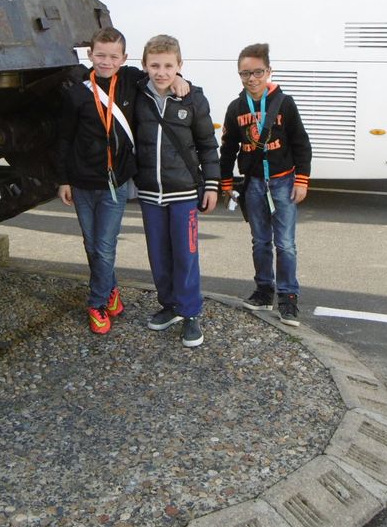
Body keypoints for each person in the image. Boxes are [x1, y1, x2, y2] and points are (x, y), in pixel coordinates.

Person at [53, 27, 188, 335]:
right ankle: (111, 289)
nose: (106, 62)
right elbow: (64, 140)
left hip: (115, 184)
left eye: (114, 57)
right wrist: (63, 180)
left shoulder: (129, 80)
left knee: (104, 246)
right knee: (92, 245)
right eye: (100, 55)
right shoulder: (76, 93)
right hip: (82, 183)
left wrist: (180, 79)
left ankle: (97, 303)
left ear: (124, 58)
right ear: (90, 55)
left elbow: (160, 75)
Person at [134, 35, 220, 348]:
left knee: (186, 255)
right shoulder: (136, 94)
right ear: (144, 65)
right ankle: (169, 305)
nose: (162, 72)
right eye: (155, 65)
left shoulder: (193, 98)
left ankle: (190, 312)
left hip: (184, 193)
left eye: (169, 66)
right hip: (150, 193)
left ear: (180, 65)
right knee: (158, 255)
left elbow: (208, 145)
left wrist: (212, 184)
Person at [220, 43, 312, 327]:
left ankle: (288, 297)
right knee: (260, 241)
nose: (252, 79)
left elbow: (301, 143)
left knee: (285, 244)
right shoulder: (236, 108)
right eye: (245, 73)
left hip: (283, 182)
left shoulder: (284, 103)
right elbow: (228, 148)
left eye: (257, 72)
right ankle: (263, 290)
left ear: (269, 71)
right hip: (254, 184)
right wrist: (226, 182)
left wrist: (302, 180)